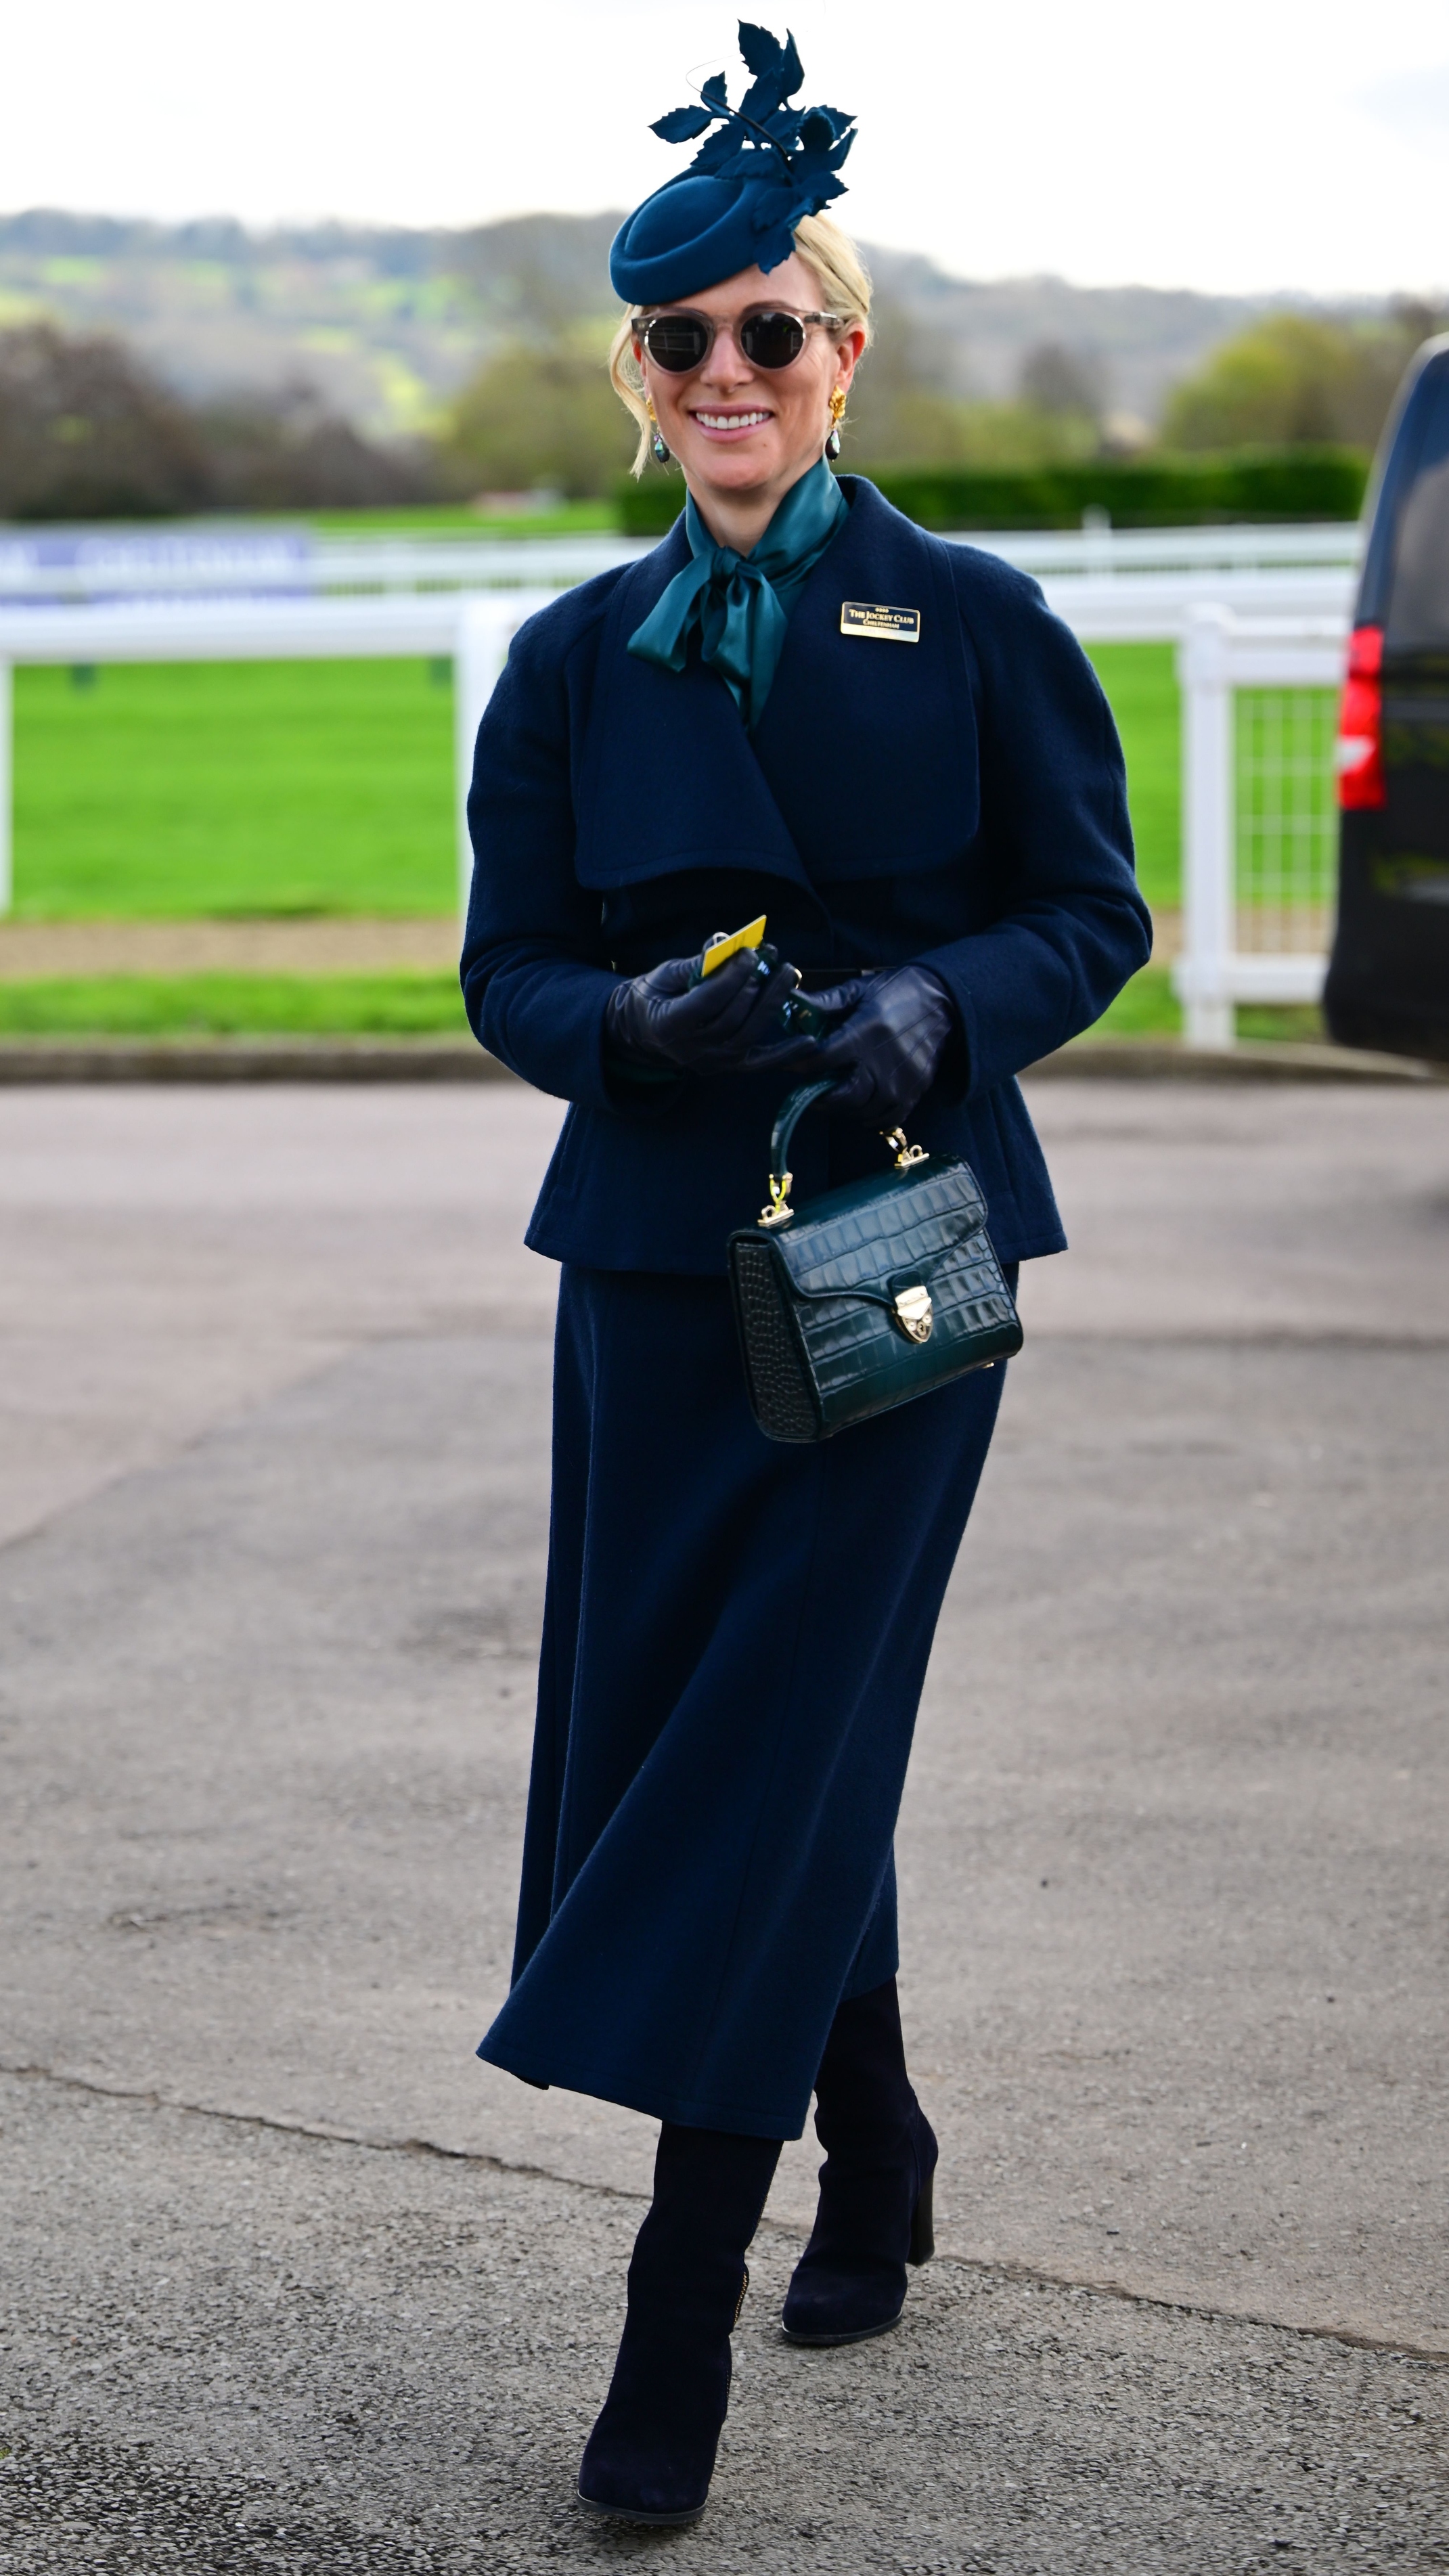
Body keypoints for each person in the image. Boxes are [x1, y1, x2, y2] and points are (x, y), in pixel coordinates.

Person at [461, 20, 1150, 2529]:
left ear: (842, 356)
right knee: (713, 1738)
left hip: (895, 1253)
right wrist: (616, 1027)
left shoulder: (967, 619)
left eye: (777, 330)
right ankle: (880, 2139)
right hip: (652, 1264)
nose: (731, 373)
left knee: (776, 1734)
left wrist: (944, 1003)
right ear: (644, 390)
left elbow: (1097, 906)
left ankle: (673, 2324)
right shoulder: (564, 664)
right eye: (687, 344)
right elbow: (506, 973)